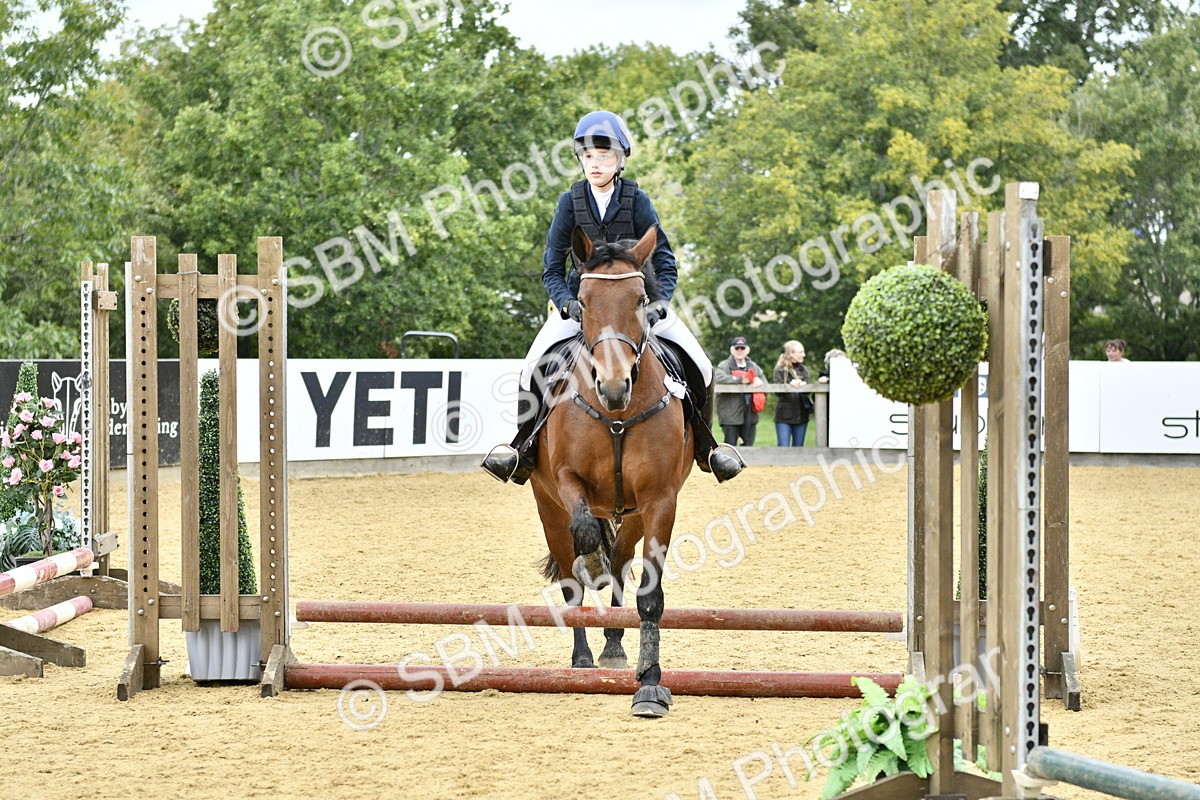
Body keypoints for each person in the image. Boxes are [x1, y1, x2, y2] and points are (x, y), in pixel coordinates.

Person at [480, 110, 745, 485]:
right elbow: (552, 268)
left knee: (699, 363)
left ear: (620, 160)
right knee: (531, 367)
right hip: (580, 306)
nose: (595, 164)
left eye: (603, 156)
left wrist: (658, 303)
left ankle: (707, 448)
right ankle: (521, 448)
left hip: (637, 307)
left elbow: (665, 261)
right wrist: (567, 301)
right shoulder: (568, 202)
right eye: (588, 156)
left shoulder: (637, 199)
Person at [715, 335, 766, 447]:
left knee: (748, 446)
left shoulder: (754, 366)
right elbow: (717, 378)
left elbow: (764, 383)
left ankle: (747, 465)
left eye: (742, 348)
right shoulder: (724, 365)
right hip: (730, 416)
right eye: (737, 348)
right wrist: (740, 380)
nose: (739, 350)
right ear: (731, 350)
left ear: (747, 350)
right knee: (730, 447)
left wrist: (758, 381)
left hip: (750, 415)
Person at [772, 340, 812, 446]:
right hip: (784, 415)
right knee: (783, 447)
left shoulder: (804, 370)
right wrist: (790, 385)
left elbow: (808, 391)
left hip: (801, 414)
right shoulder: (779, 370)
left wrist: (803, 386)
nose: (804, 354)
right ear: (791, 354)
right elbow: (777, 391)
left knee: (798, 448)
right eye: (801, 352)